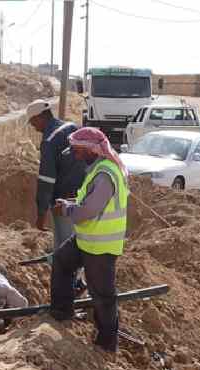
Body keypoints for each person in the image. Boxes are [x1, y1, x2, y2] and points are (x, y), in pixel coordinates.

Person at [50, 127, 129, 353]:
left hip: (100, 246)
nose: (75, 155)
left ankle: (106, 343)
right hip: (87, 238)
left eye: (78, 151)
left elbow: (89, 210)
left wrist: (67, 210)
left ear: (92, 150)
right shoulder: (97, 170)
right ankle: (62, 312)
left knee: (103, 296)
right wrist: (72, 203)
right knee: (62, 261)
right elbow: (89, 202)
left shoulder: (105, 174)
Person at [26, 99, 86, 249]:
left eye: (33, 122)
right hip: (85, 198)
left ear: (40, 117)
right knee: (82, 243)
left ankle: (68, 273)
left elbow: (46, 180)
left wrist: (41, 214)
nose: (34, 127)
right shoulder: (72, 127)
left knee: (65, 246)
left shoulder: (49, 141)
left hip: (63, 202)